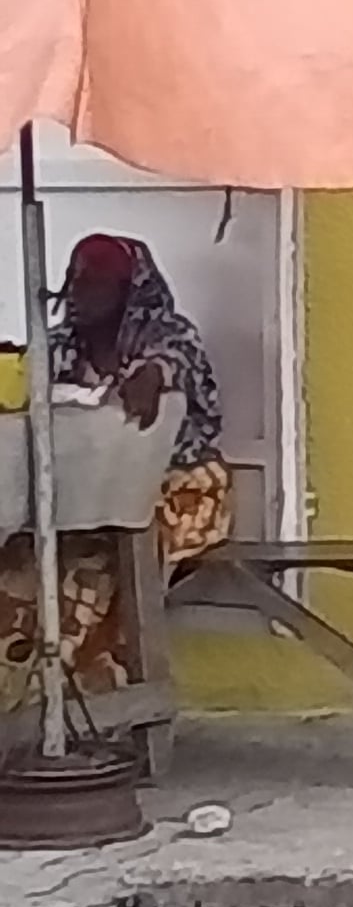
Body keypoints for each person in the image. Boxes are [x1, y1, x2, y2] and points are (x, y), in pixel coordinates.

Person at [0, 235, 234, 691]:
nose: (77, 291)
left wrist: (153, 376)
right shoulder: (56, 346)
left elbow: (174, 360)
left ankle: (93, 685)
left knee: (106, 562)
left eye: (95, 281)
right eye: (73, 278)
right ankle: (25, 688)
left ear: (130, 289)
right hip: (82, 494)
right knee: (21, 561)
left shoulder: (166, 336)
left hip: (175, 485)